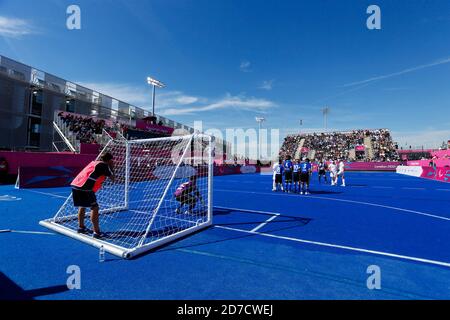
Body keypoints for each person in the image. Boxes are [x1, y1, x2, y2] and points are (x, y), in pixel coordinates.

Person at [71, 152, 115, 239]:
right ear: (109, 160)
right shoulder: (104, 165)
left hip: (76, 184)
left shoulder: (94, 163)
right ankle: (96, 232)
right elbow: (113, 179)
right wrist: (112, 168)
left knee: (82, 205)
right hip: (85, 187)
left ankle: (81, 227)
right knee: (94, 208)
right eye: (112, 161)